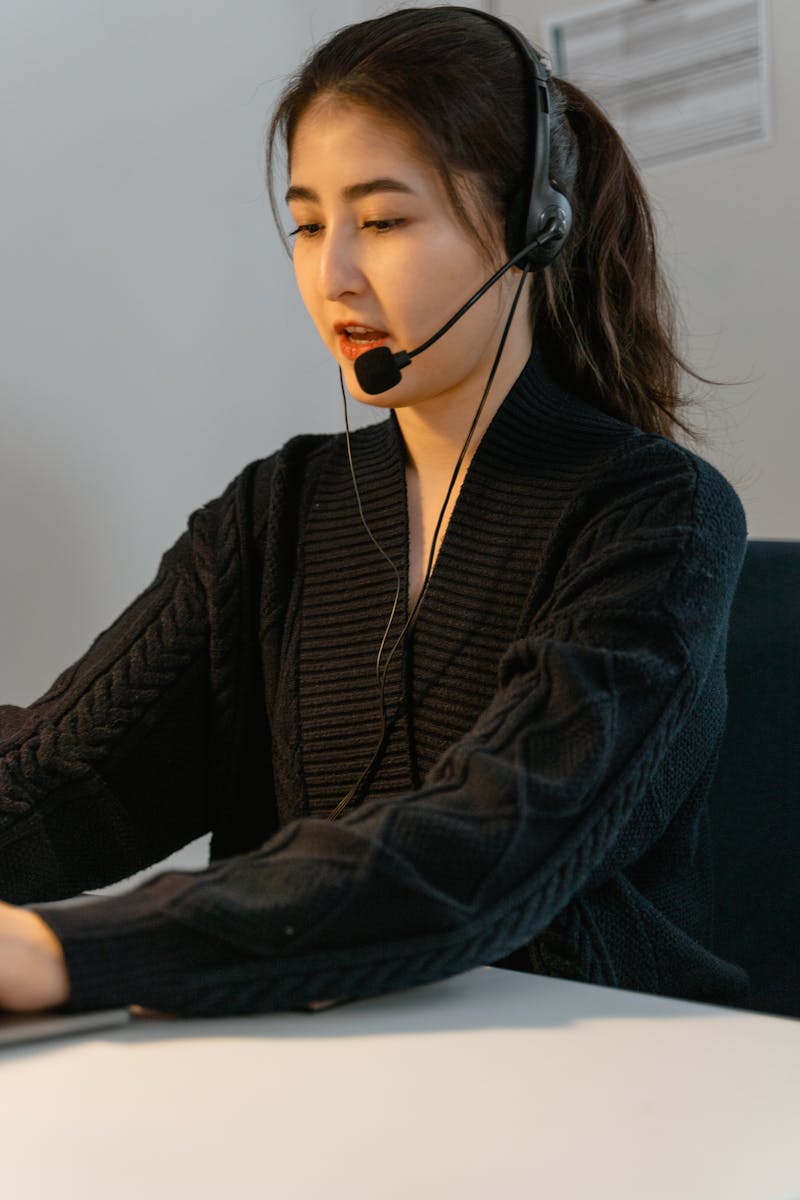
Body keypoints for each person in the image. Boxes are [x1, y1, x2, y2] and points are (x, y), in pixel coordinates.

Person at [0, 6, 750, 1017]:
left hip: (591, 1067)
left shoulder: (654, 517)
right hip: (319, 1062)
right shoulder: (277, 510)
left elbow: (484, 841)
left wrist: (69, 955)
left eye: (383, 220)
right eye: (308, 223)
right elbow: (66, 781)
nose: (332, 273)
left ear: (527, 231)